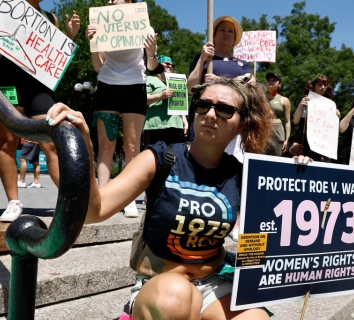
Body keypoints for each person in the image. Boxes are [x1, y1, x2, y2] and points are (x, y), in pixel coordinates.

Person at [47, 77, 277, 319]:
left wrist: (303, 175)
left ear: (242, 124)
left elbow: (267, 238)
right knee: (176, 296)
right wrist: (85, 147)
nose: (210, 115)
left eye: (224, 110)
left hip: (215, 283)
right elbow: (94, 210)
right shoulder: (159, 158)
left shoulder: (244, 175)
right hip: (161, 285)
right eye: (202, 105)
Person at [0, 1, 80, 222]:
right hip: (6, 78)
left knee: (52, 139)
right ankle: (14, 202)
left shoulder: (51, 19)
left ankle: (72, 202)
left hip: (38, 84)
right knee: (7, 141)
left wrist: (70, 36)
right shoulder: (3, 5)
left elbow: (54, 58)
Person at [86, 0, 160, 217]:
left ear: (128, 1)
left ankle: (129, 199)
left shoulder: (144, 24)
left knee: (131, 146)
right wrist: (93, 43)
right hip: (107, 86)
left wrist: (152, 51)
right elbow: (98, 67)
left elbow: (152, 67)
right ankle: (101, 195)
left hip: (135, 86)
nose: (109, 1)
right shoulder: (100, 24)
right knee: (106, 145)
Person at [187, 16, 254, 141]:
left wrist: (219, 82)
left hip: (230, 119)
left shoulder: (242, 64)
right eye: (222, 30)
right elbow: (191, 88)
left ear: (234, 38)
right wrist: (202, 59)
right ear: (214, 35)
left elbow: (251, 87)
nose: (226, 34)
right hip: (205, 116)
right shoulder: (203, 59)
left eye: (230, 31)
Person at [292, 74, 340, 161]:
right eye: (319, 84)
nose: (323, 87)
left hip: (323, 145)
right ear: (313, 86)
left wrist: (336, 117)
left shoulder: (330, 105)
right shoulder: (305, 99)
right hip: (306, 143)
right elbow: (295, 121)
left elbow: (331, 129)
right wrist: (300, 106)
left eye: (325, 85)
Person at [143, 55, 188, 147]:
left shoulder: (177, 82)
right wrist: (160, 96)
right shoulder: (149, 79)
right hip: (156, 126)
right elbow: (142, 100)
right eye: (167, 64)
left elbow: (180, 102)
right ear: (158, 65)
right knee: (153, 156)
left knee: (172, 157)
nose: (170, 66)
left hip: (175, 126)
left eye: (172, 65)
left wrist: (184, 120)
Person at [265, 72, 291, 156]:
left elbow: (287, 121)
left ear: (279, 84)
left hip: (277, 131)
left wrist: (287, 140)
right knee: (260, 159)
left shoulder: (284, 100)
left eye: (274, 80)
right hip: (263, 130)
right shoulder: (260, 97)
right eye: (269, 80)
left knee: (275, 159)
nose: (271, 82)